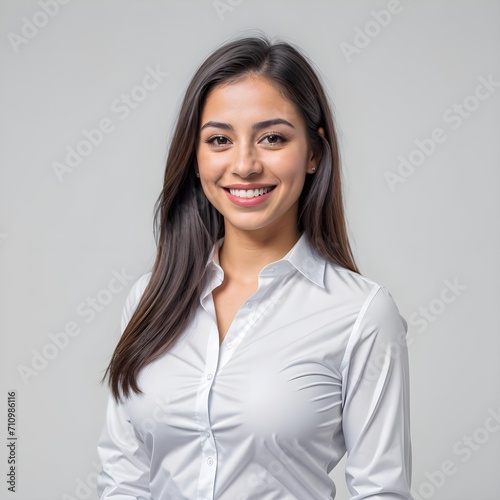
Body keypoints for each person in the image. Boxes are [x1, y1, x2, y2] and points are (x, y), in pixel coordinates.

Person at [97, 33, 413, 500]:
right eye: (219, 139)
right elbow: (123, 478)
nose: (243, 165)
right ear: (196, 155)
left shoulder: (361, 314)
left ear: (314, 154)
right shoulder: (150, 298)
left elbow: (381, 491)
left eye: (272, 138)